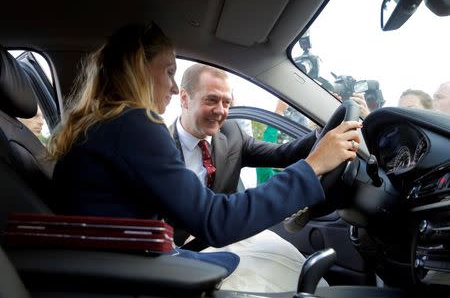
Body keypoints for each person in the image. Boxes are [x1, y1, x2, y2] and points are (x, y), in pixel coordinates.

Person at [48, 23, 362, 292]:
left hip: (126, 263)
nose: (172, 87)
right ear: (137, 68)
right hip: (135, 273)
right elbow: (216, 220)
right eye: (169, 72)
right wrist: (313, 167)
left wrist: (323, 139)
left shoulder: (100, 123)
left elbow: (280, 153)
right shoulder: (134, 124)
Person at [169, 64, 327, 291]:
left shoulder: (232, 134)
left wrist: (321, 135)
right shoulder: (161, 146)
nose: (221, 111)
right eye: (211, 100)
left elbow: (283, 154)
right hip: (185, 251)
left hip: (233, 235)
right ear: (184, 98)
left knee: (302, 273)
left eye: (226, 102)